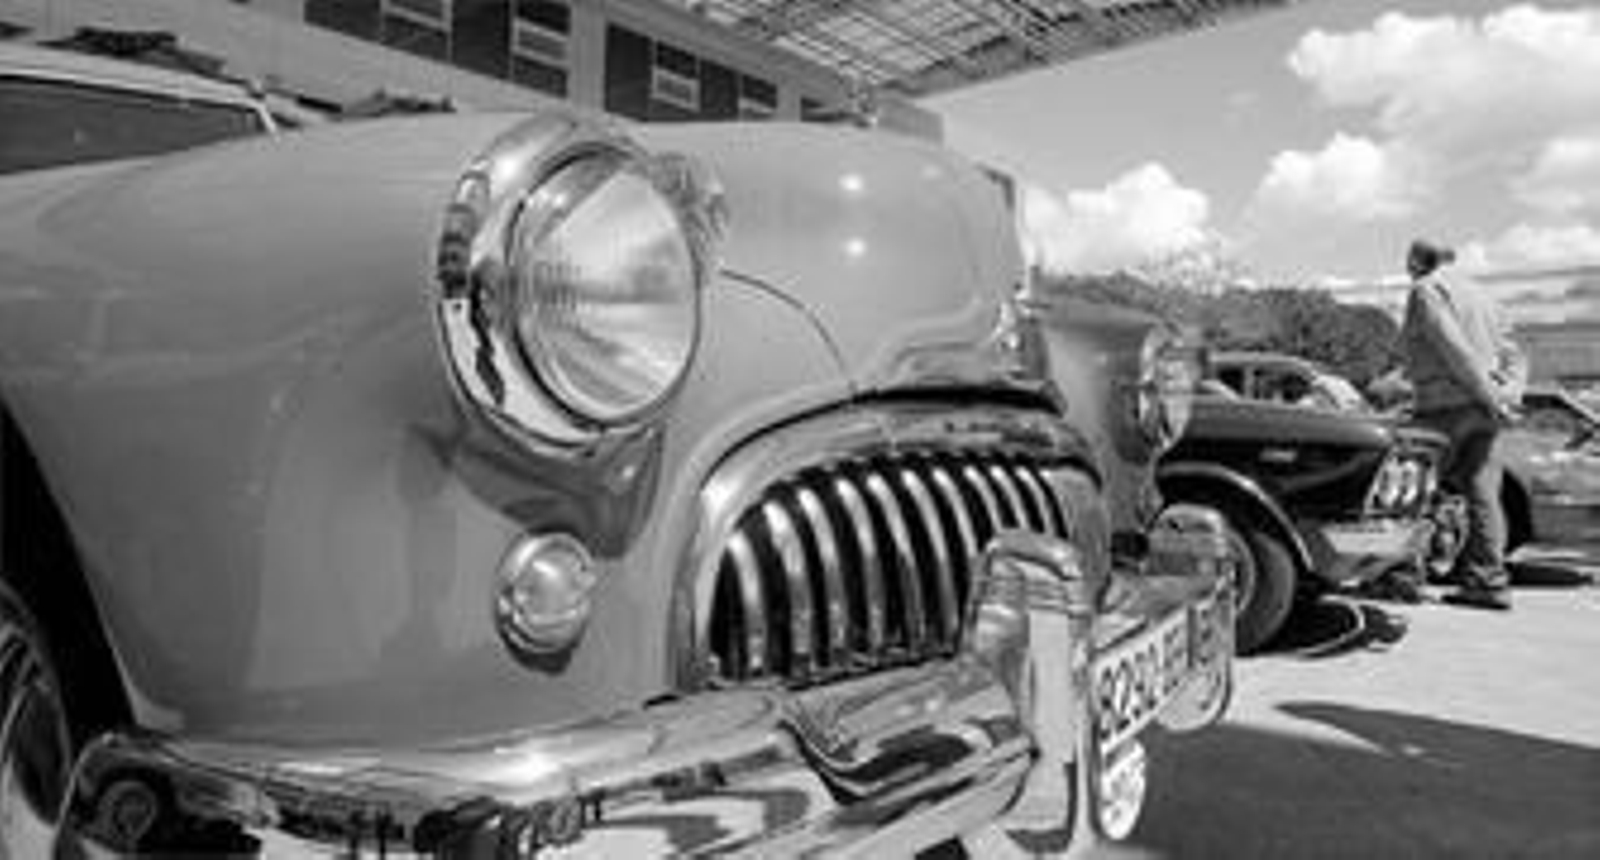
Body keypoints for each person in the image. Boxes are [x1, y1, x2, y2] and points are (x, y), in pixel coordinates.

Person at [1399, 239, 1527, 610]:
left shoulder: (1427, 289)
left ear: (1416, 261)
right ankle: (1488, 582)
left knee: (1412, 489)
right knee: (1483, 494)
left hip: (1445, 405)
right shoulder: (1487, 297)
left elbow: (1453, 348)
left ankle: (1404, 574)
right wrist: (1507, 398)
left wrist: (1488, 395)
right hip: (1486, 411)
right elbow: (1515, 355)